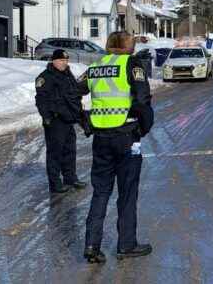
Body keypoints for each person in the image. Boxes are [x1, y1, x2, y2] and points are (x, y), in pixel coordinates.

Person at [82, 31, 154, 264]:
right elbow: (143, 99)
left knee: (100, 192)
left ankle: (92, 245)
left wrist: (86, 122)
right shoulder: (132, 64)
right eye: (131, 41)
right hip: (126, 137)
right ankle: (126, 244)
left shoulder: (96, 66)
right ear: (126, 45)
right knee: (127, 192)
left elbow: (71, 93)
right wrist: (143, 128)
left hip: (101, 138)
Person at [35, 49, 90, 194]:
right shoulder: (45, 77)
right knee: (55, 153)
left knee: (69, 151)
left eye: (66, 60)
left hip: (68, 119)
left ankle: (70, 178)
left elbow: (74, 94)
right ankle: (55, 183)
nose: (64, 63)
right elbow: (41, 100)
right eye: (61, 60)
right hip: (55, 120)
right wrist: (46, 117)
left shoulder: (67, 75)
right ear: (53, 61)